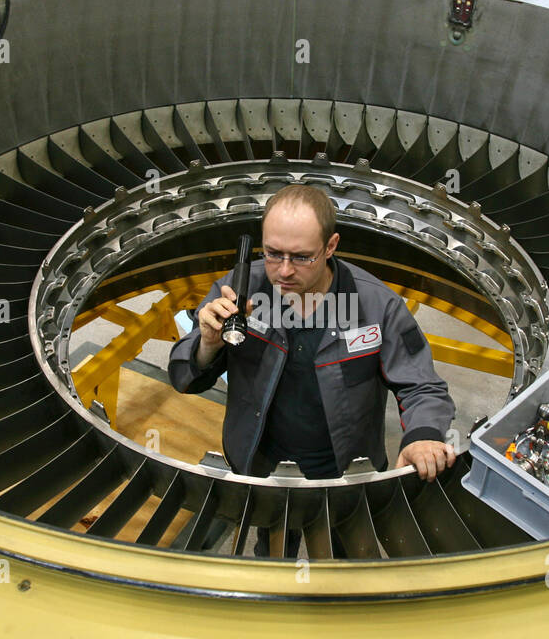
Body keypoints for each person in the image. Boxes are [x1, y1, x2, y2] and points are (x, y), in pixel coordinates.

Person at [168, 183, 456, 484]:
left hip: (345, 476)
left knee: (340, 531)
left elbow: (421, 385)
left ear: (330, 246)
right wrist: (207, 346)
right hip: (256, 467)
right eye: (273, 254)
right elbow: (184, 380)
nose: (284, 271)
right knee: (271, 527)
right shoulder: (239, 290)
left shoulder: (377, 307)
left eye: (302, 257)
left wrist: (423, 434)